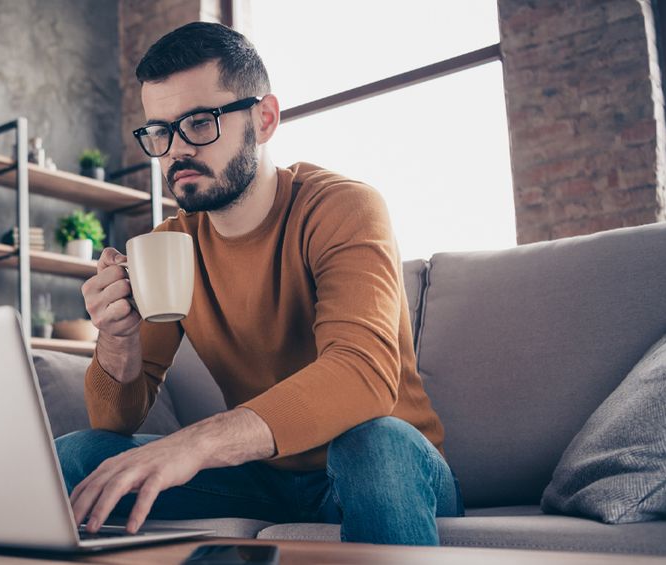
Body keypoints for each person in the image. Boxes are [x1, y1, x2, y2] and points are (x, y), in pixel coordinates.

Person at [55, 21, 463, 546]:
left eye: (199, 123)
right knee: (78, 455)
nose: (176, 150)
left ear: (264, 118)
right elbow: (114, 420)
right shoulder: (169, 245)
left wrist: (196, 443)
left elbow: (363, 373)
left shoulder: (341, 207)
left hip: (389, 466)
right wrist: (116, 338)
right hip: (266, 477)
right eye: (160, 131)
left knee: (372, 445)